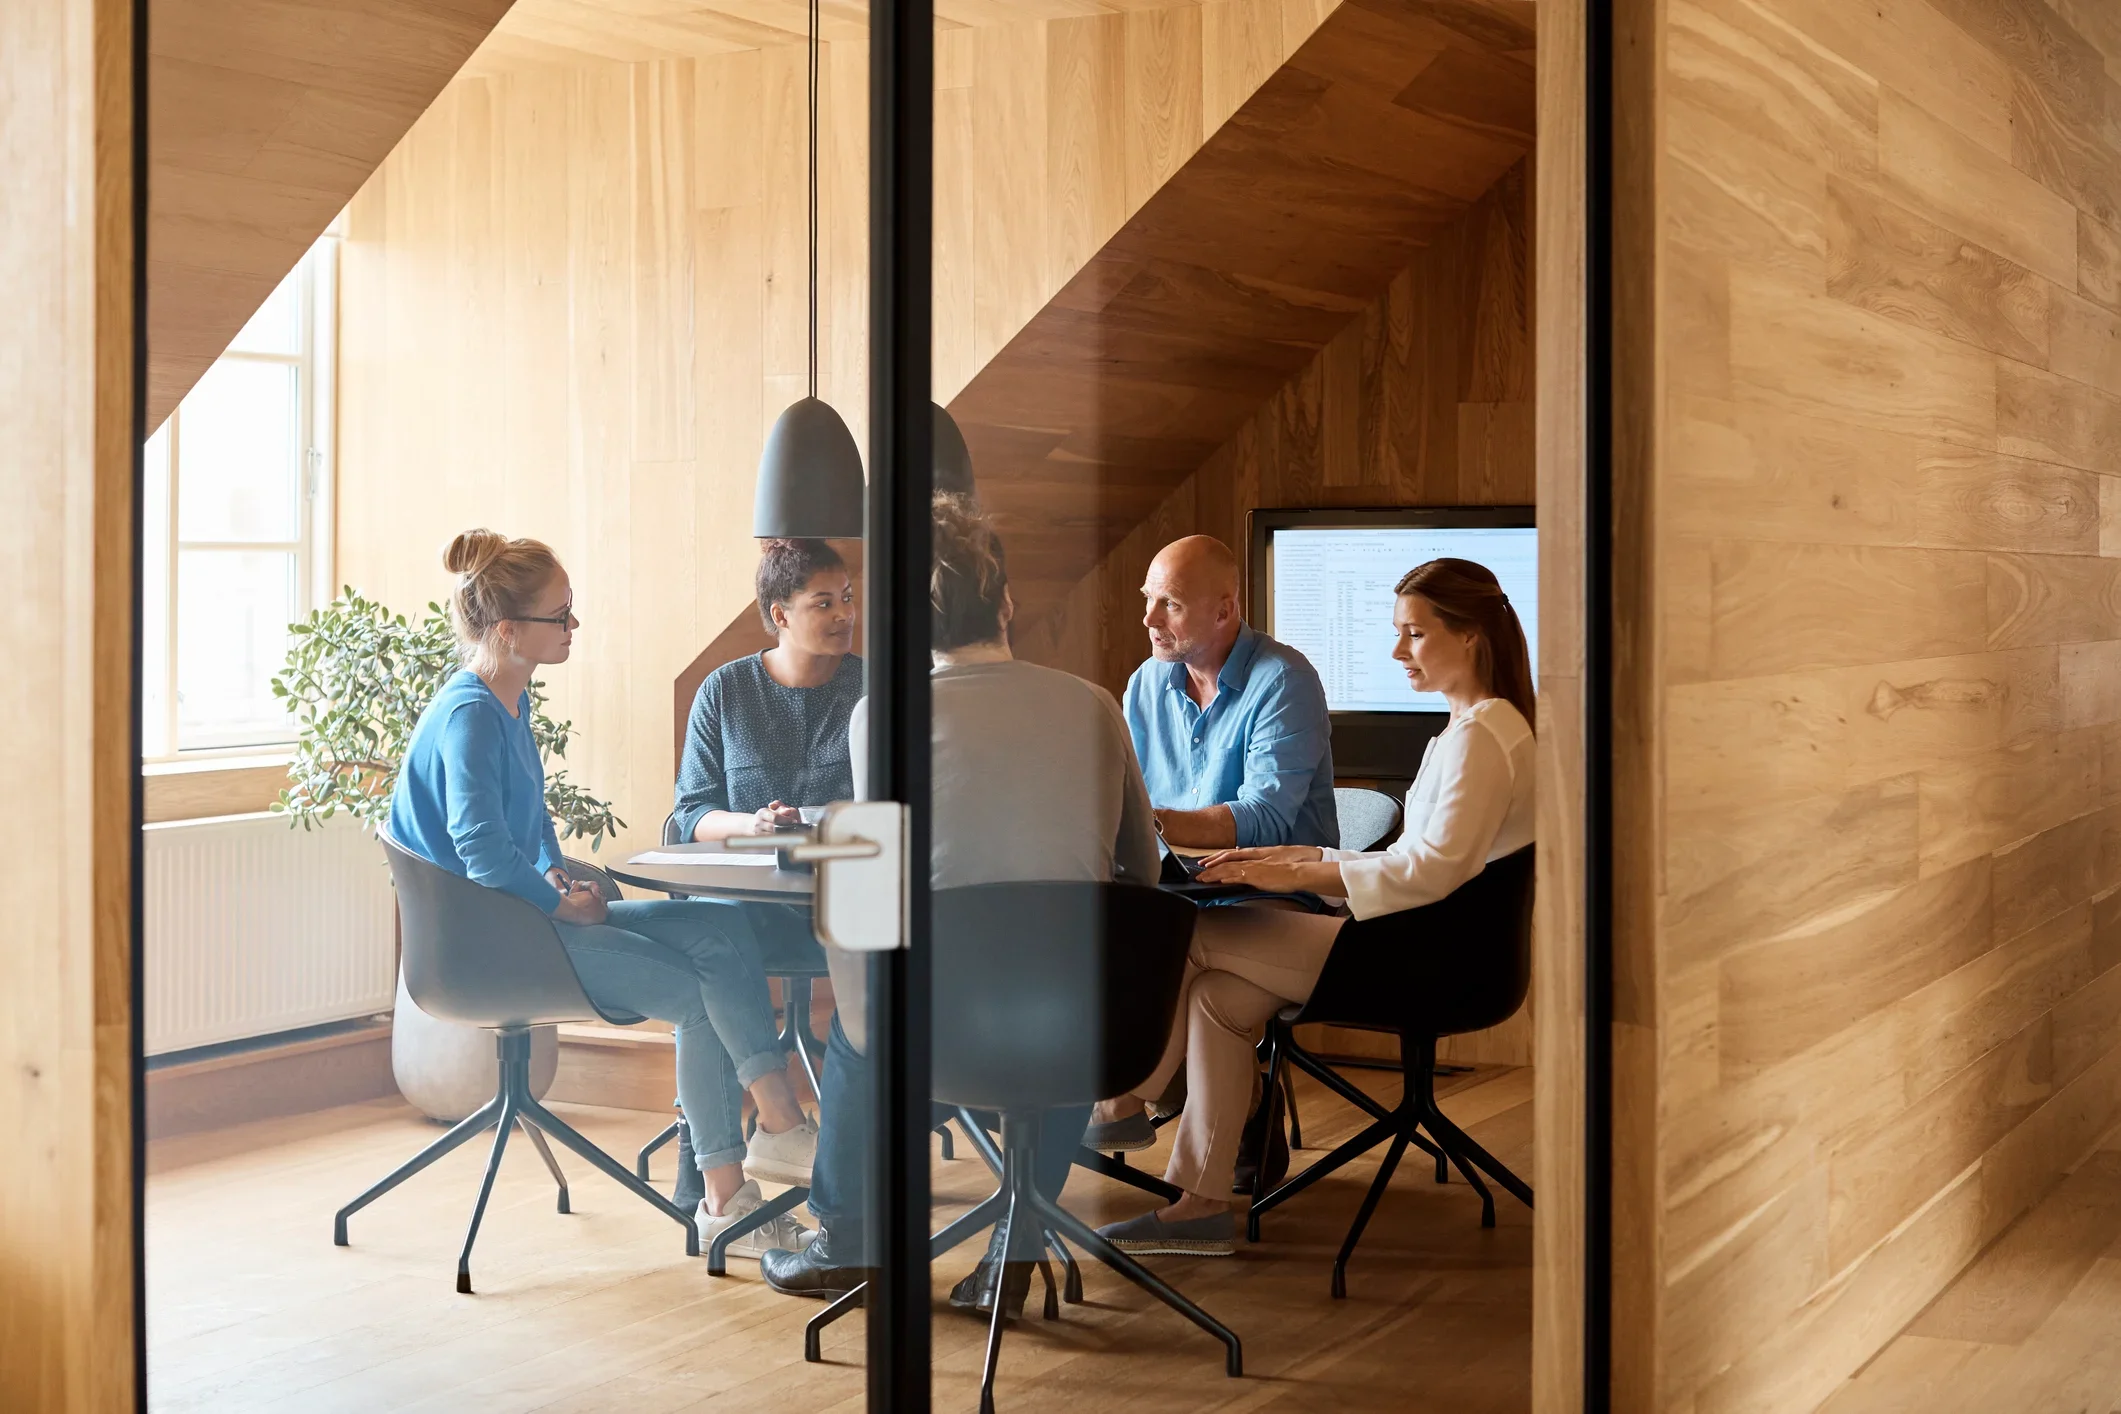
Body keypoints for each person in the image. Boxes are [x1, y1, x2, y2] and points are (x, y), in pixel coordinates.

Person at [760, 493, 1161, 1317]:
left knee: (859, 1027)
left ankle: (848, 1243)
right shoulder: (1092, 702)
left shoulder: (883, 717)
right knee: (1062, 990)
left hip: (943, 1030)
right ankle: (1019, 1246)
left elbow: (880, 873)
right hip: (1094, 1029)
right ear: (1006, 603)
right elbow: (1143, 872)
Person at [387, 529, 815, 1261]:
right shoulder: (469, 717)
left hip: (526, 917)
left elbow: (526, 832)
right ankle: (727, 1196)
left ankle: (774, 1127)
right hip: (497, 944)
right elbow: (481, 849)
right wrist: (557, 903)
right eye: (560, 617)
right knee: (694, 991)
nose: (572, 628)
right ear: (508, 630)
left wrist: (559, 874)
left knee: (716, 929)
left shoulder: (507, 704)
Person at [1090, 558, 1536, 1256]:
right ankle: (1200, 1203)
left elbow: (1429, 874)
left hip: (1433, 962)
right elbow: (1419, 861)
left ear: (1472, 636)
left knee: (1193, 931)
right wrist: (1301, 862)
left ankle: (1122, 1096)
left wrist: (1302, 874)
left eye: (1413, 635)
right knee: (1217, 998)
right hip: (1422, 943)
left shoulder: (1483, 735)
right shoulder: (1470, 726)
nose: (1397, 652)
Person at [666, 538, 861, 1231]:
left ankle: (738, 1175)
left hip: (845, 908)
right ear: (780, 614)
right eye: (824, 603)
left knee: (707, 958)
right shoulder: (725, 690)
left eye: (847, 599)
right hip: (745, 911)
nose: (844, 614)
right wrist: (752, 824)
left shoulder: (870, 689)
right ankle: (769, 1125)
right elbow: (689, 813)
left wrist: (821, 821)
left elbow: (900, 806)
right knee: (710, 939)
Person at [1123, 535, 1338, 853]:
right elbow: (1122, 792)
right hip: (1172, 881)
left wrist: (1147, 823)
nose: (1149, 618)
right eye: (1148, 598)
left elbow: (1265, 820)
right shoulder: (1146, 681)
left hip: (1261, 886)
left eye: (1170, 603)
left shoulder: (1286, 682)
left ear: (1223, 612)